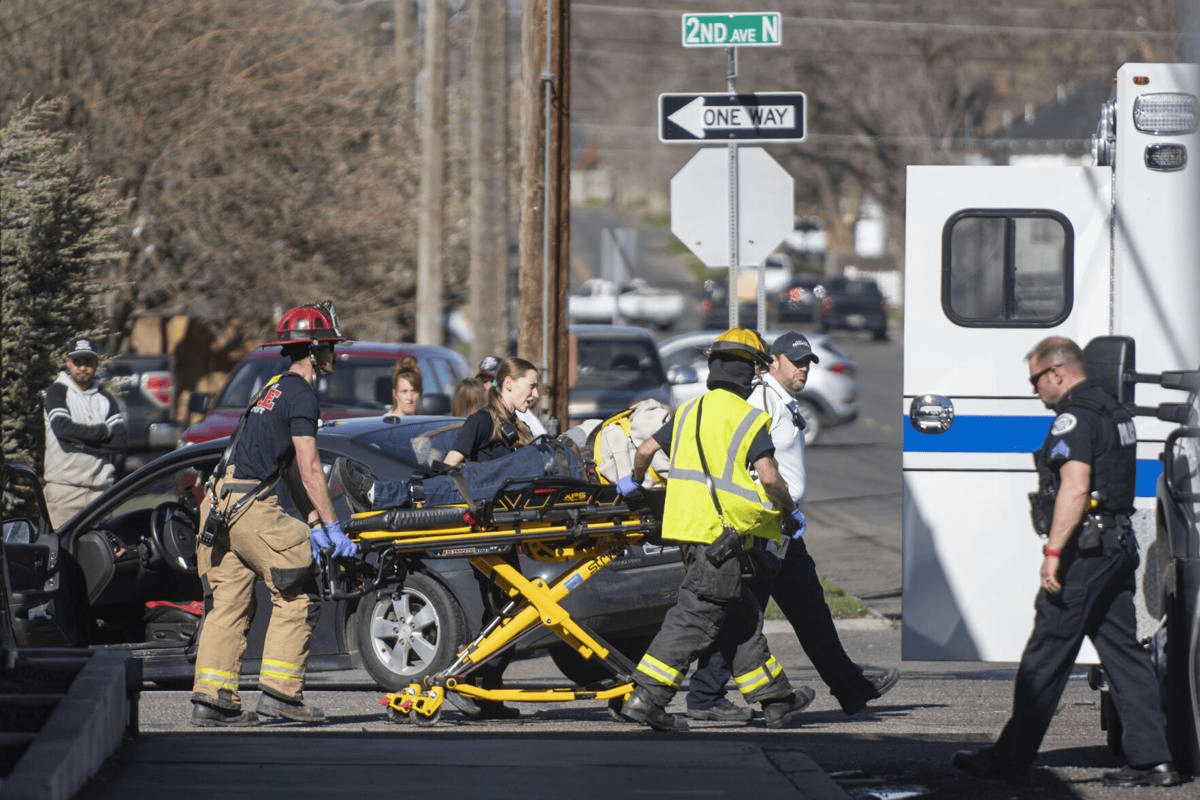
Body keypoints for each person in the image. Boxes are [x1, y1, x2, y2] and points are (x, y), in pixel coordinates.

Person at [952, 336, 1179, 788]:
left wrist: (1053, 552)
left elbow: (1075, 486)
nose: (1035, 390)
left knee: (1045, 655)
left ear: (1057, 372)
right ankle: (1155, 761)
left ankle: (1009, 761)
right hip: (1116, 547)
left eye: (1035, 380)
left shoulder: (1074, 418)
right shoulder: (1115, 412)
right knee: (1123, 654)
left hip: (1086, 552)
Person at [686, 332, 900, 722]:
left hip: (781, 528)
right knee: (743, 615)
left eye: (807, 363)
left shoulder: (783, 401)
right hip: (761, 526)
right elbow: (747, 462)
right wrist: (772, 509)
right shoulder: (759, 399)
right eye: (796, 361)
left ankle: (848, 688)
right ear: (772, 361)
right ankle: (708, 696)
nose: (802, 369)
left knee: (807, 609)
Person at [615, 328, 815, 732]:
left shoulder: (688, 411)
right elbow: (770, 477)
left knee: (740, 617)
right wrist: (789, 508)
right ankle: (646, 697)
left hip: (687, 534)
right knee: (694, 618)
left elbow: (644, 451)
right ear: (748, 373)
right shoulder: (749, 418)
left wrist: (634, 484)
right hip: (723, 540)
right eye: (757, 372)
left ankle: (775, 700)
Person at [190, 302, 358, 727]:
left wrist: (315, 521)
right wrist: (334, 527)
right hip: (250, 507)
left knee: (228, 603)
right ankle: (281, 695)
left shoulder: (273, 387)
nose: (334, 355)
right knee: (298, 588)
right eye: (330, 347)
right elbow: (307, 466)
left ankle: (211, 701)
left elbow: (284, 468)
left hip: (218, 504)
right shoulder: (302, 394)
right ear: (316, 350)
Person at [43, 335, 126, 528]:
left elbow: (120, 441)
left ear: (96, 363)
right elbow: (63, 430)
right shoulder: (56, 392)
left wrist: (78, 443)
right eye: (77, 361)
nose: (82, 367)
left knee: (101, 555)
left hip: (101, 494)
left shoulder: (106, 398)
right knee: (62, 554)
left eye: (88, 361)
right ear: (68, 363)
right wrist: (102, 432)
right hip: (64, 493)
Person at [477, 355, 547, 438]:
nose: (486, 386)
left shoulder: (519, 412)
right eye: (483, 381)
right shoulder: (479, 417)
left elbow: (541, 437)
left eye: (493, 381)